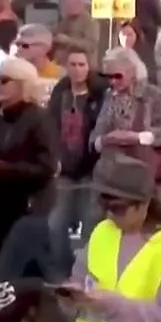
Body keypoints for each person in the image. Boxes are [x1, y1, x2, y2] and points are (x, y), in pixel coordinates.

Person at [65, 155, 161, 322]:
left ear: (144, 204)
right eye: (104, 205)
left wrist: (110, 305)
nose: (109, 214)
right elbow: (81, 276)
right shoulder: (102, 231)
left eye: (118, 208)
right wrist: (74, 292)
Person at [0, 57, 58, 283]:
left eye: (5, 80)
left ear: (23, 84)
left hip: (27, 206)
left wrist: (2, 168)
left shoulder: (38, 118)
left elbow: (47, 166)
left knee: (14, 270)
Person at [45, 43, 108, 279]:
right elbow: (50, 127)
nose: (77, 69)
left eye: (82, 64)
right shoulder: (60, 93)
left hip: (91, 170)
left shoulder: (100, 94)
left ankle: (88, 274)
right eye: (73, 64)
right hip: (63, 170)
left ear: (89, 67)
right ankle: (63, 272)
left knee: (89, 224)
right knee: (55, 224)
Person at [92, 47, 161, 204]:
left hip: (152, 175)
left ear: (133, 71)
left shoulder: (154, 96)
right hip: (117, 177)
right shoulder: (110, 97)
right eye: (109, 77)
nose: (112, 82)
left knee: (156, 216)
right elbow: (97, 134)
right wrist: (105, 140)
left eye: (117, 76)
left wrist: (138, 137)